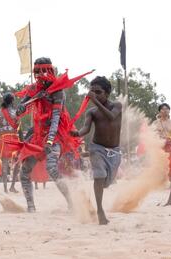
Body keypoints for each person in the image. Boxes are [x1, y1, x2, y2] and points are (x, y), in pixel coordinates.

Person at [15, 57, 87, 212]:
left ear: (50, 70)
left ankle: (71, 202)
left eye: (43, 70)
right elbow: (20, 108)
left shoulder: (58, 92)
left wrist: (50, 141)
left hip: (56, 135)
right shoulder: (34, 89)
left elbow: (56, 118)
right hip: (38, 135)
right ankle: (31, 208)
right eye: (37, 71)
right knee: (25, 170)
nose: (40, 74)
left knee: (52, 168)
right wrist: (20, 108)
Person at [70, 76, 122, 225]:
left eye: (98, 92)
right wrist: (77, 133)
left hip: (114, 151)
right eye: (92, 91)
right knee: (99, 176)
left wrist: (96, 101)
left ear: (107, 93)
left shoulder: (116, 106)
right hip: (97, 148)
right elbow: (86, 128)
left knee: (106, 181)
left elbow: (111, 117)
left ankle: (97, 204)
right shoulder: (92, 112)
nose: (94, 94)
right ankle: (100, 210)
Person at [0, 92, 20, 193]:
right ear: (12, 100)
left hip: (3, 140)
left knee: (4, 164)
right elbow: (19, 129)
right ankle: (12, 186)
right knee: (17, 163)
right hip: (14, 139)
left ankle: (5, 189)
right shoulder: (16, 112)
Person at [154, 103, 171, 178]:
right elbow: (153, 135)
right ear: (159, 111)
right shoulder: (155, 123)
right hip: (159, 146)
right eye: (163, 109)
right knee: (160, 163)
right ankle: (160, 181)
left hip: (170, 145)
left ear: (169, 111)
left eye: (167, 109)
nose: (165, 110)